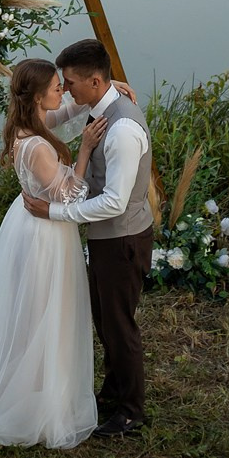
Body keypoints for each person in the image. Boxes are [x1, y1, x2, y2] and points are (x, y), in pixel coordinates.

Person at [0, 59, 107, 449]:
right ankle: (32, 400)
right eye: (57, 86)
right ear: (38, 97)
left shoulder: (28, 127)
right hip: (44, 236)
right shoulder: (37, 146)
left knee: (34, 312)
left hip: (27, 226)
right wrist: (85, 149)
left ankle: (36, 385)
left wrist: (108, 87)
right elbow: (69, 194)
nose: (63, 91)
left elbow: (68, 109)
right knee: (43, 312)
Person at [21, 38, 152, 437]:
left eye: (71, 83)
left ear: (95, 81)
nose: (66, 91)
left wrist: (55, 212)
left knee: (118, 324)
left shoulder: (123, 129)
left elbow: (114, 202)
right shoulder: (100, 107)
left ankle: (131, 411)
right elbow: (54, 115)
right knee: (104, 318)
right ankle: (113, 392)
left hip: (122, 237)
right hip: (105, 238)